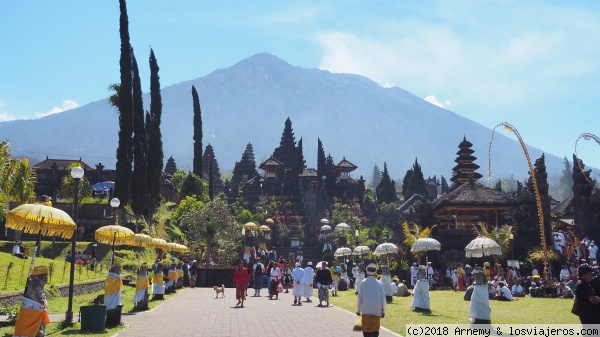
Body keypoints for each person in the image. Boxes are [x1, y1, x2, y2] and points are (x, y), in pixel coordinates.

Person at [356, 263, 386, 337]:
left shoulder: (363, 283)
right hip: (377, 311)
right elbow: (383, 298)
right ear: (375, 272)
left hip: (366, 311)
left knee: (366, 332)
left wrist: (358, 310)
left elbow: (360, 298)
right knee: (375, 331)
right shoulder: (379, 283)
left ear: (366, 272)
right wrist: (383, 311)